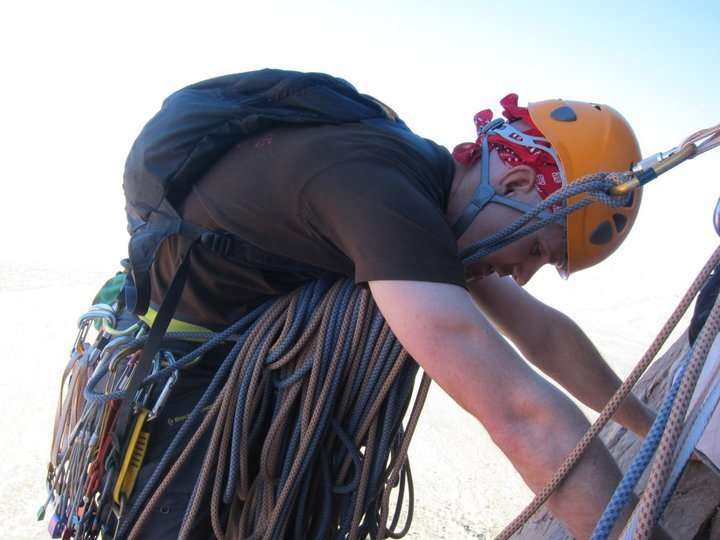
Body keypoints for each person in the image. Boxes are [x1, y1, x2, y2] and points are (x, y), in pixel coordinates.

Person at [135, 85, 658, 538]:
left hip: (231, 348)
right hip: (183, 368)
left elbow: (542, 333)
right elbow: (523, 416)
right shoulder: (379, 190)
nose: (522, 275)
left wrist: (650, 428)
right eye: (537, 252)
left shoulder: (427, 191)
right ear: (517, 184)